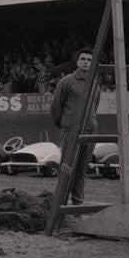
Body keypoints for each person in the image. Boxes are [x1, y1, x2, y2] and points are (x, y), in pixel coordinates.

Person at [50, 47, 99, 205]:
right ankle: (60, 204)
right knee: (66, 170)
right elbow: (56, 107)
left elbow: (95, 105)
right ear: (77, 62)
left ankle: (77, 204)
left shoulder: (95, 83)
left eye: (89, 60)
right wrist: (66, 124)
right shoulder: (66, 82)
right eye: (83, 59)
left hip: (90, 132)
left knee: (81, 172)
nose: (86, 62)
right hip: (71, 132)